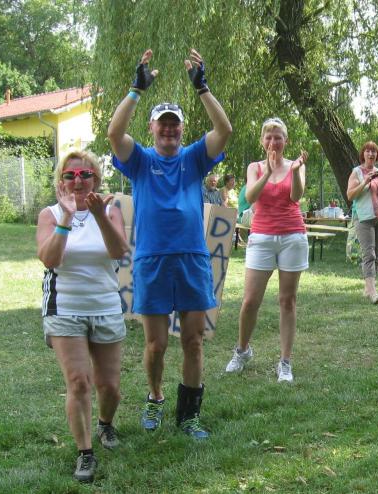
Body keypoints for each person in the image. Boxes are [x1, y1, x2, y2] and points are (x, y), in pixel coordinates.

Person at [107, 48, 232, 439]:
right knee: (156, 344)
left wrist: (203, 89)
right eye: (162, 124)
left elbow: (224, 130)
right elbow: (114, 134)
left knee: (193, 342)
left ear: (181, 128)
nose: (169, 130)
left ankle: (189, 414)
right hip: (152, 260)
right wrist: (135, 90)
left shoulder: (193, 158)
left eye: (174, 124)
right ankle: (155, 397)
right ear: (151, 128)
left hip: (192, 259)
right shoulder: (141, 161)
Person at [37, 151, 130, 482]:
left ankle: (105, 424)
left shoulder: (110, 210)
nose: (77, 181)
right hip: (65, 308)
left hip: (105, 305)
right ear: (61, 181)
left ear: (96, 179)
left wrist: (99, 216)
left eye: (85, 174)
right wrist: (66, 218)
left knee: (110, 387)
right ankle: (85, 452)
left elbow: (119, 251)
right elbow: (49, 259)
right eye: (70, 175)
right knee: (78, 381)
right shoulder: (50, 214)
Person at [225, 117, 308, 383]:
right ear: (263, 141)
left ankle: (285, 362)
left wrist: (295, 171)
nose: (273, 142)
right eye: (269, 137)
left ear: (286, 141)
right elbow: (251, 196)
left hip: (292, 236)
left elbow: (296, 197)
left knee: (287, 300)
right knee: (250, 301)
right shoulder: (255, 167)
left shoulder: (296, 165)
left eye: (278, 137)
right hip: (261, 237)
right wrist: (269, 173)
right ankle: (242, 351)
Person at [345, 141, 378, 304]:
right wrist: (365, 182)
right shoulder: (357, 172)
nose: (371, 154)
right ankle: (373, 292)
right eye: (368, 151)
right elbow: (350, 195)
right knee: (369, 254)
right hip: (364, 218)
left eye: (374, 151)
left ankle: (368, 288)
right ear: (363, 154)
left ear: (377, 155)